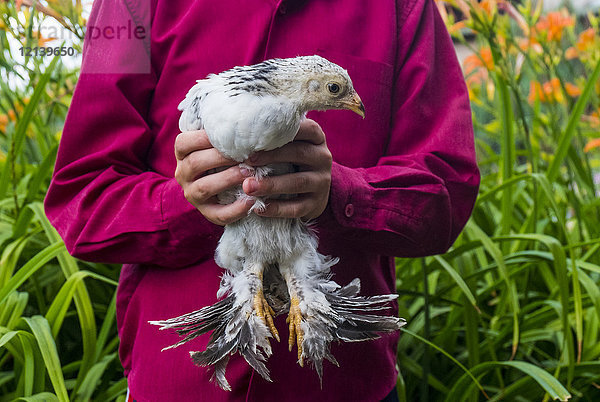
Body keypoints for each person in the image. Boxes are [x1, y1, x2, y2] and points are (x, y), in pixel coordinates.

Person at [44, 0, 480, 400]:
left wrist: (340, 194)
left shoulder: (402, 8)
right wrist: (190, 202)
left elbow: (446, 194)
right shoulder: (129, 6)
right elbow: (82, 198)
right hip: (179, 382)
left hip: (339, 382)